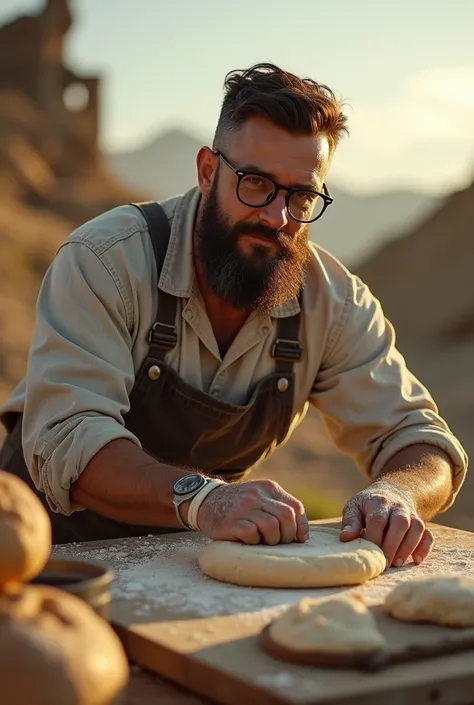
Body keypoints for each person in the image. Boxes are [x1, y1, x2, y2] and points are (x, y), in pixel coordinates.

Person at [0, 63, 467, 568]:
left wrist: (397, 493)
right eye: (255, 183)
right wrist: (208, 499)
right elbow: (71, 440)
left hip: (191, 571)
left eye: (301, 195)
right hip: (42, 562)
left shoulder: (333, 302)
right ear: (207, 171)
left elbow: (420, 440)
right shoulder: (106, 260)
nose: (277, 217)